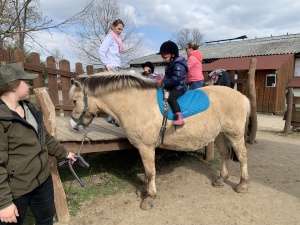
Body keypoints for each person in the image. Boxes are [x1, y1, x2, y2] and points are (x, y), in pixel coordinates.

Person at [0, 63, 76, 225]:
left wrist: (64, 153)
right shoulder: (2, 119)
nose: (29, 86)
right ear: (13, 86)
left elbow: (45, 138)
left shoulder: (30, 109)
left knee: (46, 220)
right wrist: (4, 203)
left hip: (43, 180)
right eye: (25, 82)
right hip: (16, 188)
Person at [99, 19, 125, 127]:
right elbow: (101, 50)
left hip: (117, 66)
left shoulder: (116, 39)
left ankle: (111, 117)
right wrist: (107, 64)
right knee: (116, 93)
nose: (120, 31)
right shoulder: (110, 37)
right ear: (113, 27)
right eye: (119, 29)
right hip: (112, 67)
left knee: (114, 92)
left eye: (122, 30)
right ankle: (115, 118)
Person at [159, 40, 188, 126]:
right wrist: (161, 83)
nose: (164, 60)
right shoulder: (170, 64)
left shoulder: (178, 64)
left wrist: (166, 84)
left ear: (173, 55)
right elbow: (167, 76)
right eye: (163, 58)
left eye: (165, 57)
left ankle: (179, 117)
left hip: (179, 87)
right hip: (173, 86)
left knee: (172, 97)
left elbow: (177, 78)